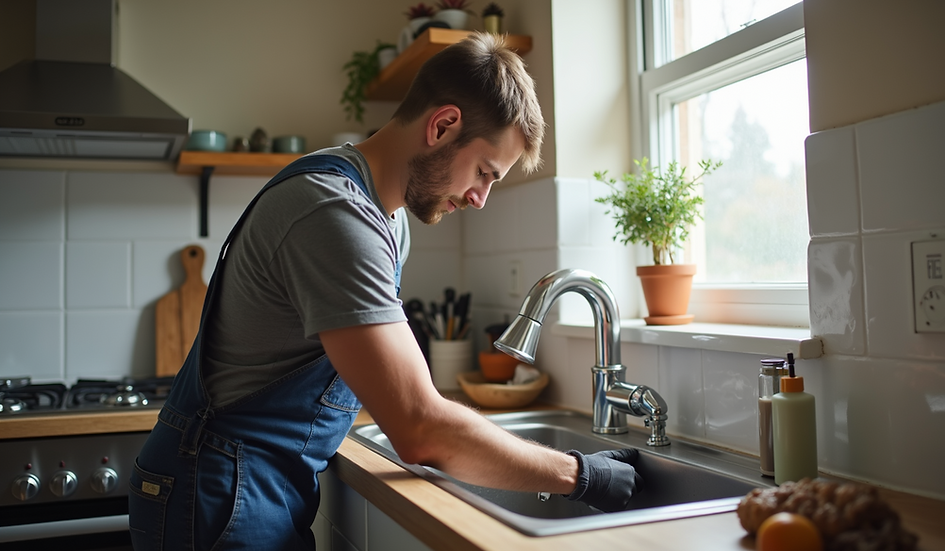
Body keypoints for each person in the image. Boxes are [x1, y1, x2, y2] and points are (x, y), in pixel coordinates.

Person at [128, 33, 643, 551]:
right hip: (216, 487)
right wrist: (580, 474)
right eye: (484, 173)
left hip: (259, 481)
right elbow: (420, 428)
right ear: (442, 125)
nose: (481, 199)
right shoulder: (334, 212)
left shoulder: (388, 218)